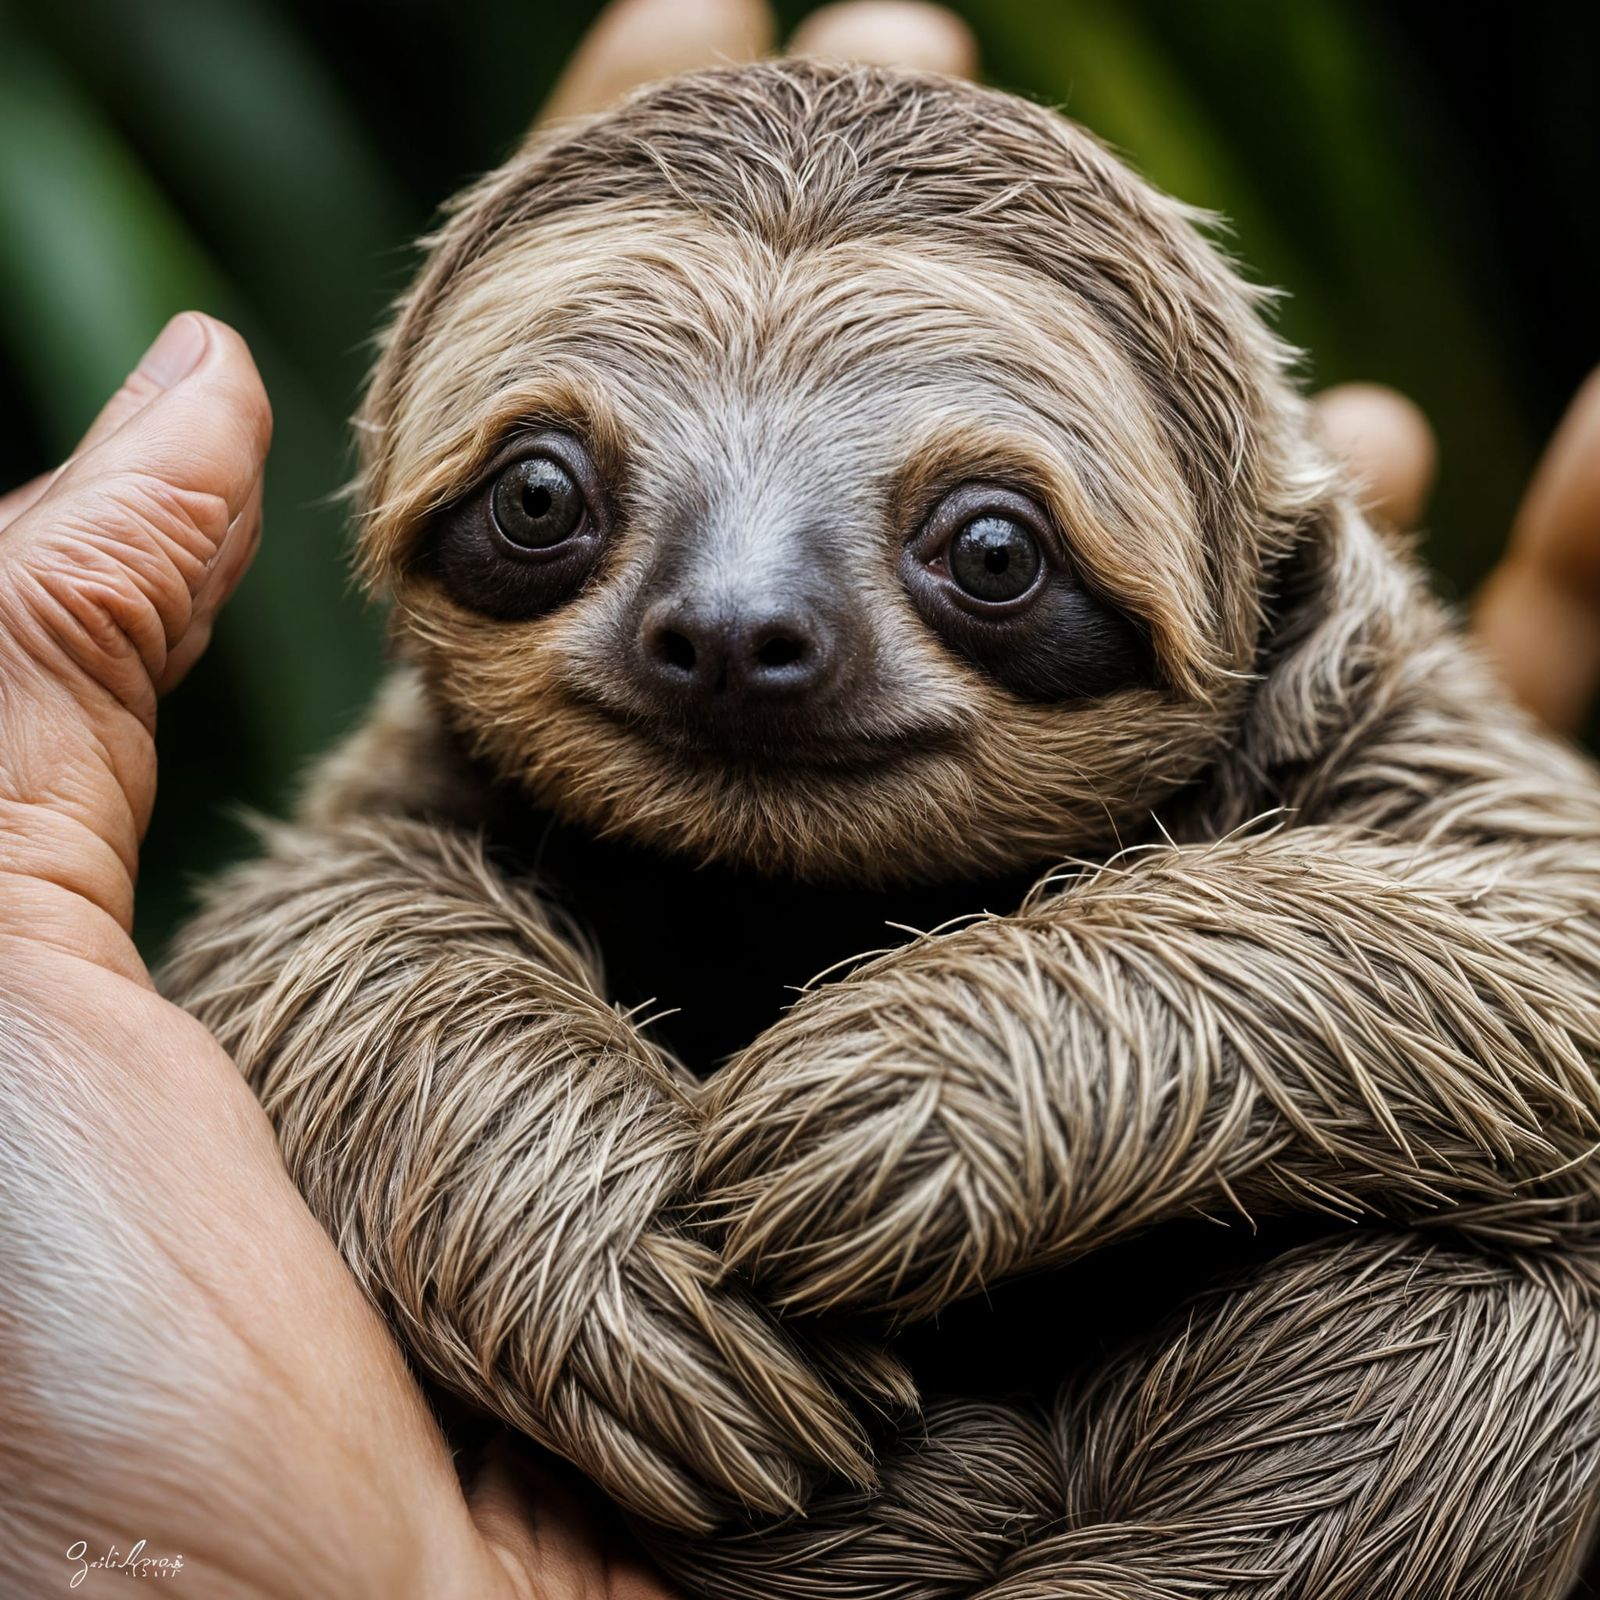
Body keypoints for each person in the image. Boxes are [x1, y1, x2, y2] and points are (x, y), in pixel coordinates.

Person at [0, 3, 1594, 1594]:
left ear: (1277, 599)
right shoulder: (414, 845)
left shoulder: (1364, 723)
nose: (734, 613)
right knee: (349, 974)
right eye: (550, 505)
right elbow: (291, 977)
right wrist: (481, 1165)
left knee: (1518, 1357)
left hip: (1224, 1470)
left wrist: (1097, 1030)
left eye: (986, 556)